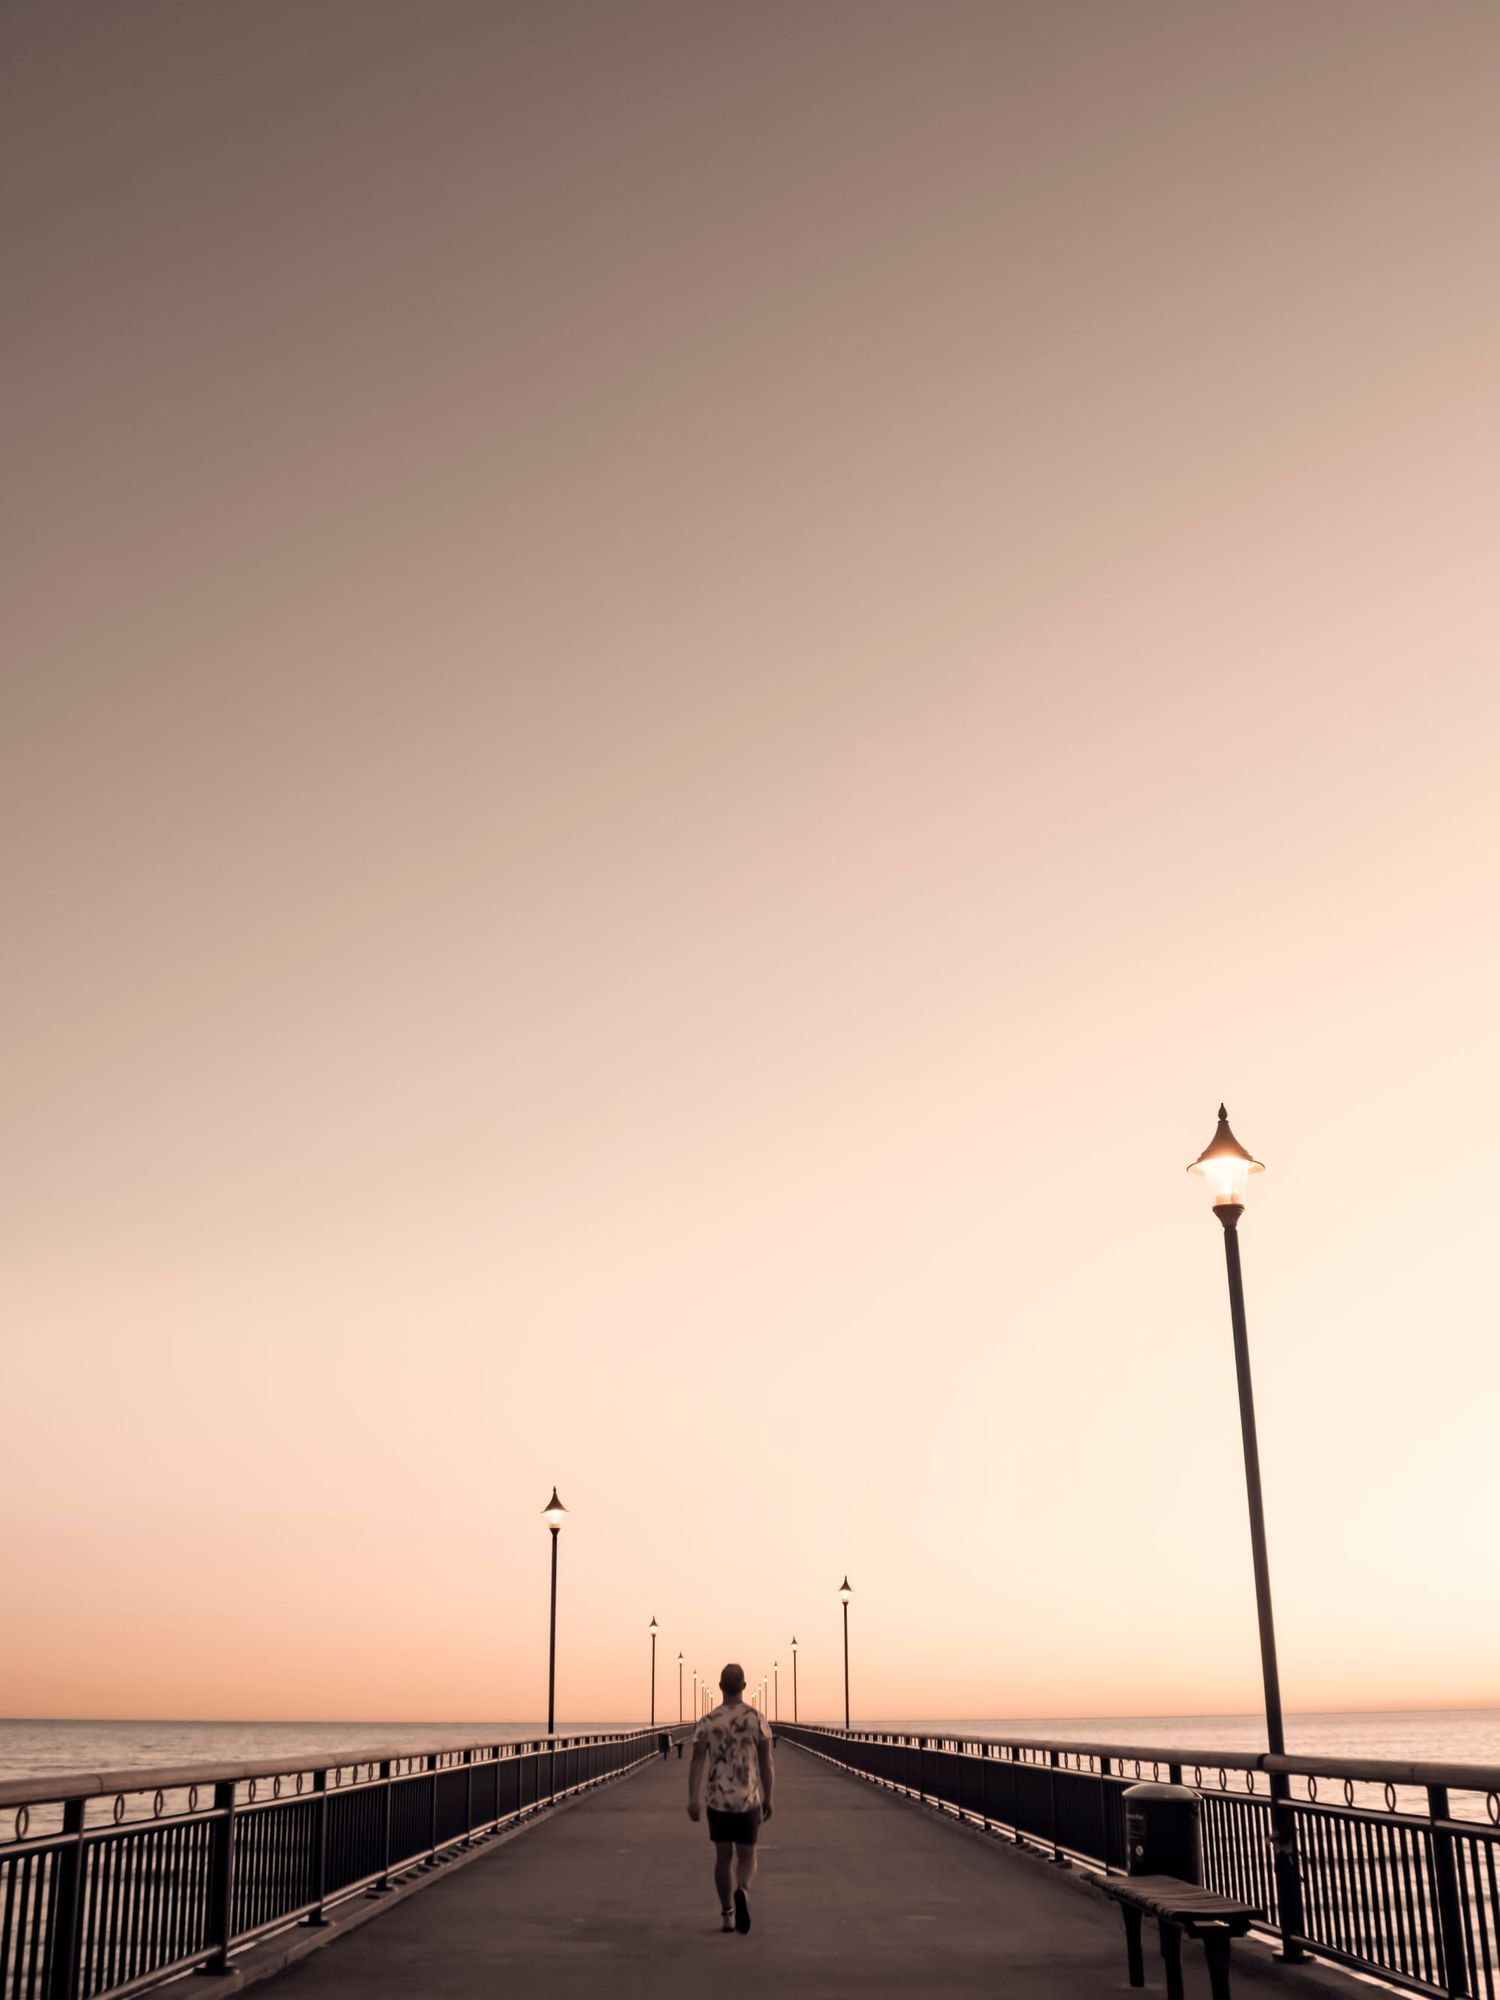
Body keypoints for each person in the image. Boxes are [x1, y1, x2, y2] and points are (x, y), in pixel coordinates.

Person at [686, 1663, 774, 1934]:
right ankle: (743, 1890)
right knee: (747, 1856)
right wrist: (768, 1797)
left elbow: (696, 1761)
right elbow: (766, 1763)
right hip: (747, 1799)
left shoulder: (707, 1721)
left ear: (720, 1686)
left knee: (723, 1857)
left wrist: (692, 1798)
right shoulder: (756, 1718)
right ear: (744, 1686)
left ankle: (727, 1914)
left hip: (717, 1800)